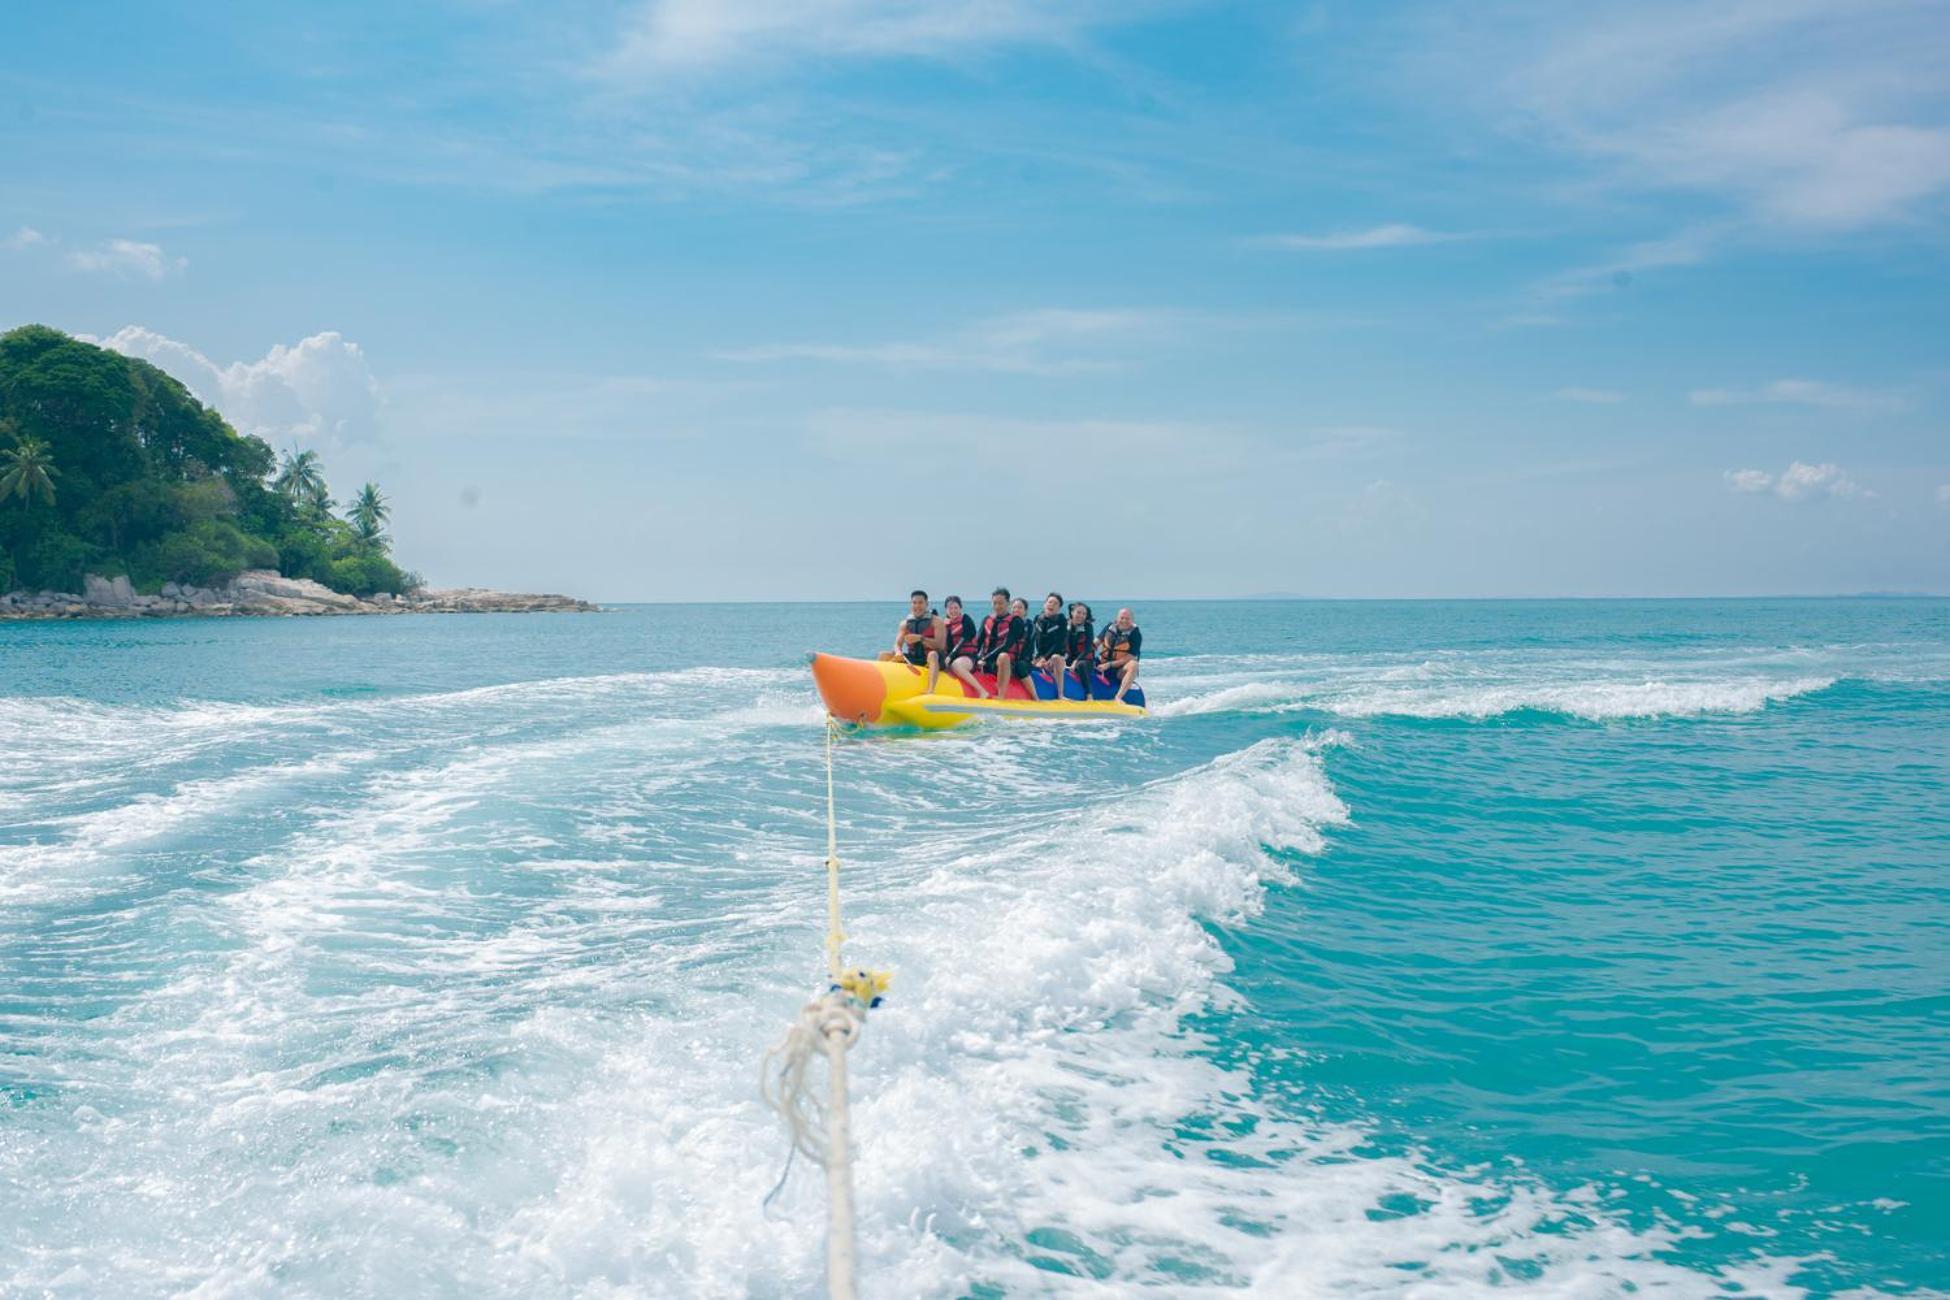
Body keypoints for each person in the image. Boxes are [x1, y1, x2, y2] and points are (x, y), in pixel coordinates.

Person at [973, 587, 1027, 697]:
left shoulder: (1016, 622)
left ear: (1008, 603)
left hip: (1008, 665)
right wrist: (976, 658)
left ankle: (1001, 696)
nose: (997, 606)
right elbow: (978, 643)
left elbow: (1006, 645)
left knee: (1003, 656)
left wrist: (985, 658)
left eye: (1001, 603)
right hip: (987, 663)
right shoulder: (987, 620)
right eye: (995, 603)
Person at [928, 594, 981, 696]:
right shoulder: (944, 624)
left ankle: (981, 690)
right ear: (946, 610)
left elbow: (965, 638)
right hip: (951, 658)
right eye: (950, 608)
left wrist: (950, 656)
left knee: (956, 665)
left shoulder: (966, 619)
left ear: (960, 608)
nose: (953, 611)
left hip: (968, 658)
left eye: (956, 608)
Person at [880, 589, 942, 668]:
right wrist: (898, 652)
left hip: (928, 659)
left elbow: (940, 646)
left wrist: (922, 639)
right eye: (914, 603)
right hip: (912, 658)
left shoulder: (935, 622)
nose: (917, 605)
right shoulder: (905, 624)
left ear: (926, 604)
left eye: (920, 602)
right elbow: (897, 644)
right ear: (911, 604)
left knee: (933, 655)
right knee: (883, 655)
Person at [1098, 606, 1143, 703]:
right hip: (1102, 665)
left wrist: (1109, 665)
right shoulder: (1110, 627)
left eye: (1127, 619)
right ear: (1117, 618)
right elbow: (1095, 642)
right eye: (1122, 618)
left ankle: (1118, 697)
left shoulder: (1135, 634)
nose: (1124, 621)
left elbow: (1131, 656)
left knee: (1134, 665)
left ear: (1132, 620)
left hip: (1120, 670)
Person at [1028, 592, 1069, 693]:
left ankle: (1060, 693)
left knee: (1055, 657)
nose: (1052, 605)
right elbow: (1031, 640)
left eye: (1056, 604)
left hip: (1058, 656)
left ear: (1059, 608)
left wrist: (1044, 659)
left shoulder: (1061, 621)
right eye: (1050, 602)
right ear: (1045, 604)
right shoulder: (1038, 619)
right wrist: (1031, 656)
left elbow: (1058, 644)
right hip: (1040, 655)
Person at [1063, 601, 1096, 694]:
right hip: (1069, 658)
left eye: (1084, 614)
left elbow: (1088, 647)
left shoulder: (1088, 627)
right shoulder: (1066, 625)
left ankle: (1089, 694)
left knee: (1081, 665)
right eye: (1078, 612)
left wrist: (1076, 661)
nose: (1081, 615)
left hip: (1085, 659)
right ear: (1072, 613)